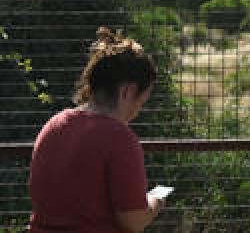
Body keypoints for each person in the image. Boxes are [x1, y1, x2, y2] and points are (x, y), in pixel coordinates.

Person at [28, 27, 164, 233]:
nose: (137, 112)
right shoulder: (119, 138)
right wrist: (154, 201)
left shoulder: (54, 124)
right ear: (128, 91)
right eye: (142, 102)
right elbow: (133, 220)